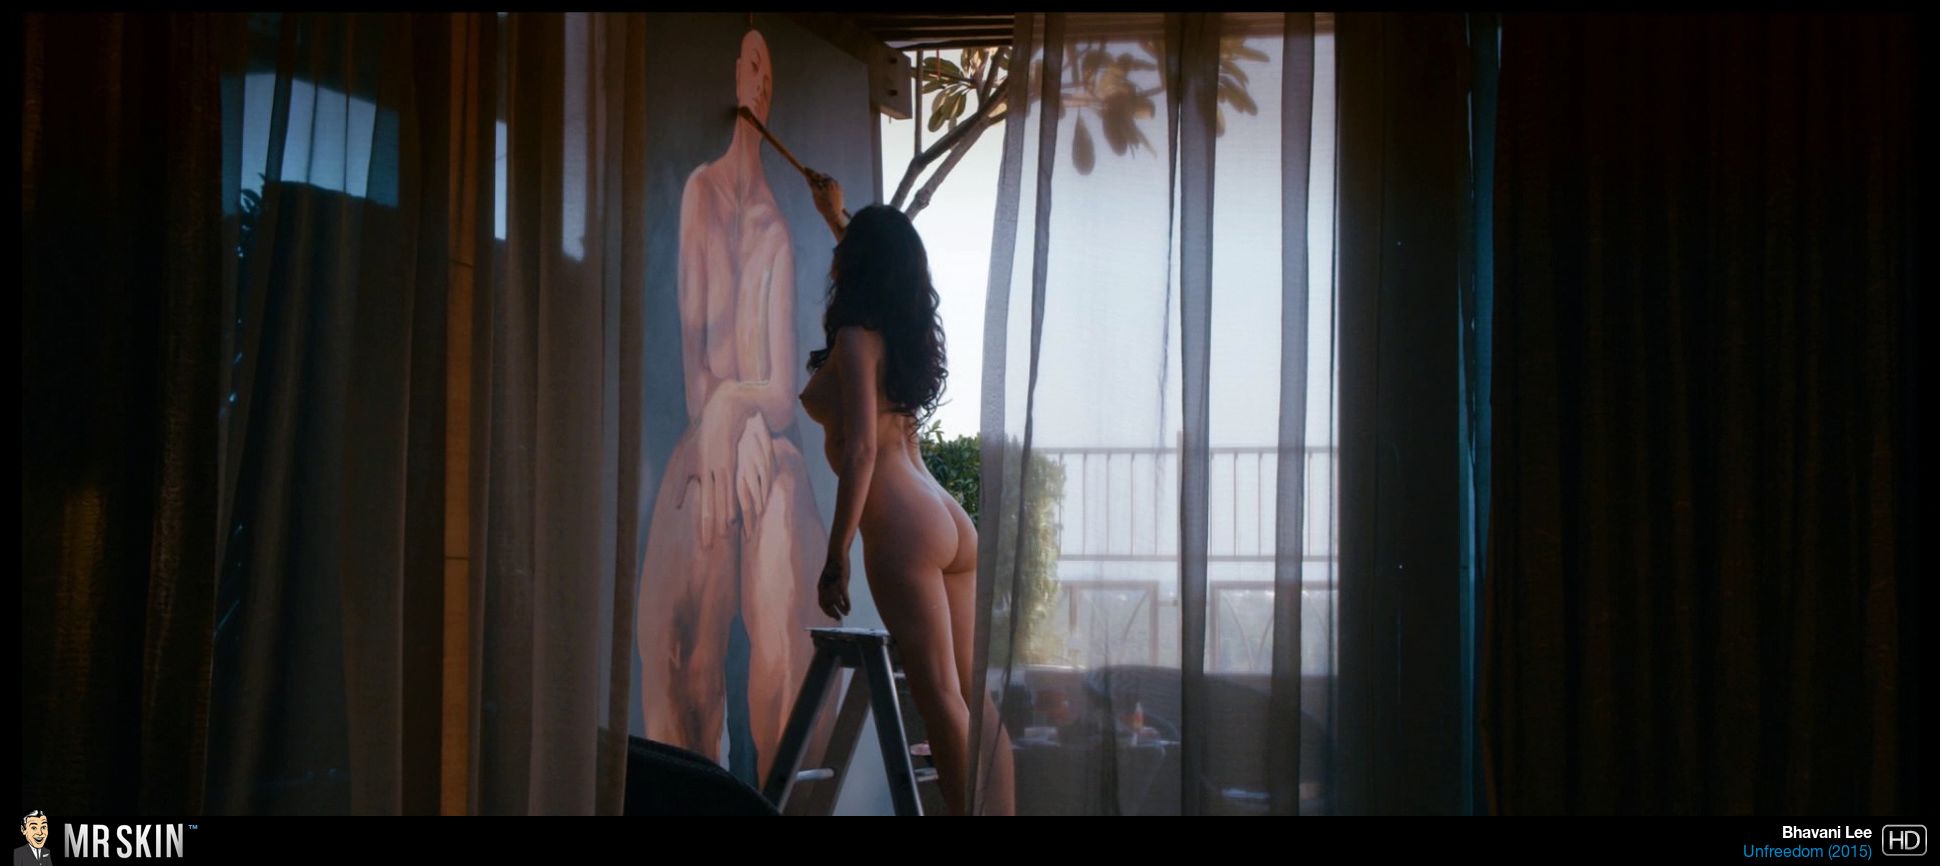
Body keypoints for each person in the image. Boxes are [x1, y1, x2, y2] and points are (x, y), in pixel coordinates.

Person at [636, 28, 829, 783]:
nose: (763, 80)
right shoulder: (700, 195)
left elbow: (780, 392)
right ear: (734, 74)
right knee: (676, 639)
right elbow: (697, 379)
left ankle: (777, 790)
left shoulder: (777, 229)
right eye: (753, 63)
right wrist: (722, 414)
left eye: (770, 69)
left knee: (781, 510)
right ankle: (696, 785)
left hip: (759, 446)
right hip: (712, 442)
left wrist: (737, 413)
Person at [794, 173, 1016, 816]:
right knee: (974, 698)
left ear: (855, 266)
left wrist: (836, 554)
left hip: (901, 523)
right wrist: (835, 216)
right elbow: (877, 257)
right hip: (945, 516)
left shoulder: (854, 337)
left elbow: (861, 451)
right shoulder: (897, 331)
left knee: (940, 697)